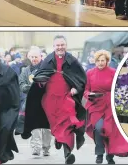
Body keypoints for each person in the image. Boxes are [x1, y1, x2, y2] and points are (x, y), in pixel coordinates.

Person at [22, 35, 87, 164]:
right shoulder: (47, 60)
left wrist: (76, 88)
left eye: (62, 45)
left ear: (66, 46)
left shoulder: (73, 61)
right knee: (56, 125)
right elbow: (41, 75)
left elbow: (81, 78)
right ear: (54, 47)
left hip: (66, 98)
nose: (60, 47)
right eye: (57, 45)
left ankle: (67, 153)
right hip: (50, 100)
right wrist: (40, 83)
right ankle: (59, 138)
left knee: (68, 124)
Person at [85, 50, 128, 164]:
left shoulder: (113, 72)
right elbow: (86, 89)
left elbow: (119, 87)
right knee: (99, 128)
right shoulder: (90, 73)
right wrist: (88, 95)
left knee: (109, 129)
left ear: (107, 61)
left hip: (109, 105)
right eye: (98, 61)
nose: (100, 63)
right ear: (95, 61)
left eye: (103, 60)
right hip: (95, 104)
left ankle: (110, 156)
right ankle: (99, 153)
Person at [19, 47, 52, 157]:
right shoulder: (25, 70)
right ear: (29, 57)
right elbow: (22, 84)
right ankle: (36, 147)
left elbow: (52, 83)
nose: (34, 59)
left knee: (46, 126)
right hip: (32, 101)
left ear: (40, 56)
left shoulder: (47, 68)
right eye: (32, 57)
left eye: (36, 57)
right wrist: (31, 88)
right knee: (35, 125)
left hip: (46, 100)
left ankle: (46, 147)